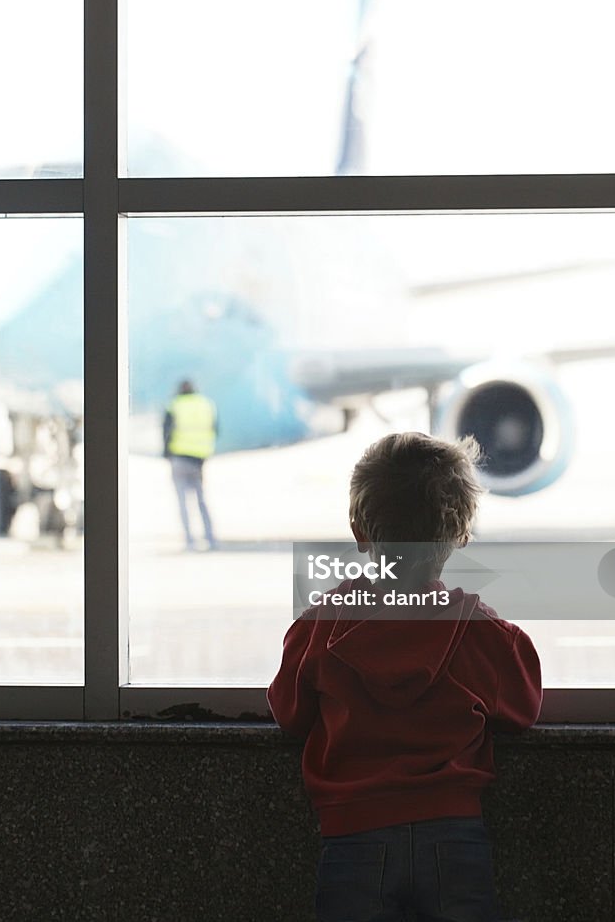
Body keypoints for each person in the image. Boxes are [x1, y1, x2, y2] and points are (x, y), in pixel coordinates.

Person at [268, 432, 541, 922]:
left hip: (353, 834)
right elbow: (523, 708)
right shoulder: (479, 631)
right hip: (453, 833)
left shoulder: (321, 626)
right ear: (460, 534)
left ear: (359, 529)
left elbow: (289, 713)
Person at [163, 379, 217, 551]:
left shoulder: (174, 405)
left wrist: (167, 454)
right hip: (199, 459)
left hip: (179, 458)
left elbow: (166, 432)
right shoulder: (206, 405)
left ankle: (189, 540)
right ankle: (210, 538)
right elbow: (215, 429)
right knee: (201, 500)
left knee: (182, 502)